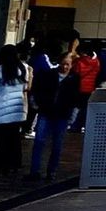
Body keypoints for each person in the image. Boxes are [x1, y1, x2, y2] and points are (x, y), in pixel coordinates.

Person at [27, 52, 79, 183]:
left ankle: (51, 171)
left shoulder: (74, 79)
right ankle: (34, 171)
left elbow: (75, 98)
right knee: (39, 142)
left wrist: (72, 115)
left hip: (62, 114)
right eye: (63, 64)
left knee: (57, 144)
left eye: (68, 65)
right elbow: (38, 89)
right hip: (46, 112)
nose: (65, 67)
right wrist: (37, 103)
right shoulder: (49, 75)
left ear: (71, 65)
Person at [0, 44, 29, 178]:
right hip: (17, 110)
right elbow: (24, 88)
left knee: (0, 141)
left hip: (1, 110)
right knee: (14, 139)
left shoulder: (0, 69)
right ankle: (13, 165)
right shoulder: (23, 68)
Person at [71, 41, 102, 130]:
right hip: (90, 88)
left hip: (79, 87)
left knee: (76, 106)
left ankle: (73, 124)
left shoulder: (79, 62)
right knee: (85, 107)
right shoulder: (96, 62)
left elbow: (75, 73)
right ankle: (81, 124)